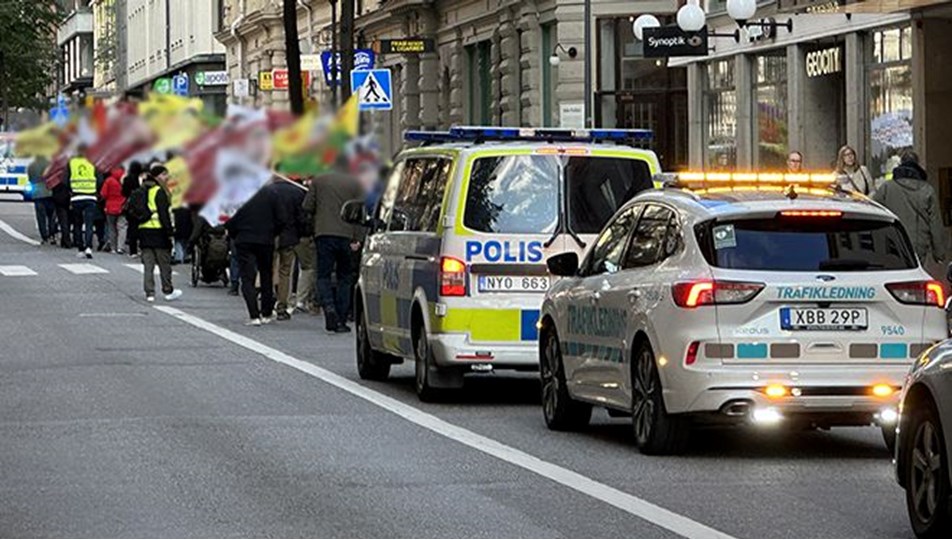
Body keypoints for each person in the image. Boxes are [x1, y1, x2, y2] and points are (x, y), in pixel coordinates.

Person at [303, 155, 364, 333]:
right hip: (347, 234)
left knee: (323, 275)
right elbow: (361, 212)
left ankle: (328, 307)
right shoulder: (355, 183)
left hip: (324, 233)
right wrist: (358, 238)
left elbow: (307, 206)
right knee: (345, 277)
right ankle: (341, 318)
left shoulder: (319, 181)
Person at [225, 182, 286, 326]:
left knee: (247, 277)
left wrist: (235, 233)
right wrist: (272, 232)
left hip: (244, 238)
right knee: (266, 275)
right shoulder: (271, 193)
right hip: (266, 239)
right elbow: (282, 219)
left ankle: (254, 315)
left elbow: (228, 219)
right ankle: (266, 312)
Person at [872, 151, 946, 271]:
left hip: (892, 241)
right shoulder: (927, 190)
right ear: (918, 165)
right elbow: (935, 223)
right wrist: (939, 253)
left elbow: (875, 211)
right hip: (918, 243)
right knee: (915, 279)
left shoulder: (887, 187)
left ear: (901, 164)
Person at [137, 171, 182, 302]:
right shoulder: (159, 191)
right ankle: (168, 291)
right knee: (164, 264)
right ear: (157, 177)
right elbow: (164, 214)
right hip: (159, 232)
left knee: (148, 265)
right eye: (164, 175)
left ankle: (149, 293)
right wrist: (169, 232)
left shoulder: (141, 190)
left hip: (144, 231)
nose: (167, 177)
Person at [271, 174, 308, 321]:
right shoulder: (297, 193)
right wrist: (300, 234)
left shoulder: (268, 191)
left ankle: (266, 302)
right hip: (289, 237)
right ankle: (282, 306)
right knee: (285, 272)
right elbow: (302, 218)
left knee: (268, 268)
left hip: (270, 236)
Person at [68, 145, 99, 259]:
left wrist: (71, 190)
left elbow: (65, 179)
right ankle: (89, 247)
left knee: (77, 224)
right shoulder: (93, 162)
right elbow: (99, 179)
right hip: (91, 196)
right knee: (89, 224)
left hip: (76, 197)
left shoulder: (72, 163)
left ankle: (80, 248)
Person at [27, 155, 58, 245]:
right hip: (50, 192)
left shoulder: (31, 166)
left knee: (41, 217)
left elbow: (30, 179)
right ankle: (52, 234)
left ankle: (44, 237)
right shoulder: (50, 164)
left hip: (38, 194)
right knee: (51, 216)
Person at [100, 166, 127, 254]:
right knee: (122, 227)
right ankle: (121, 247)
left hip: (110, 207)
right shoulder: (125, 180)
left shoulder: (109, 180)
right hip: (122, 206)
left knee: (111, 227)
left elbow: (103, 194)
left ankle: (113, 248)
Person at [121, 161, 143, 256]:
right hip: (141, 205)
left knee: (132, 227)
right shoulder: (141, 179)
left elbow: (123, 192)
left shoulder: (127, 179)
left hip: (131, 205)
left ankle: (132, 250)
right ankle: (141, 248)